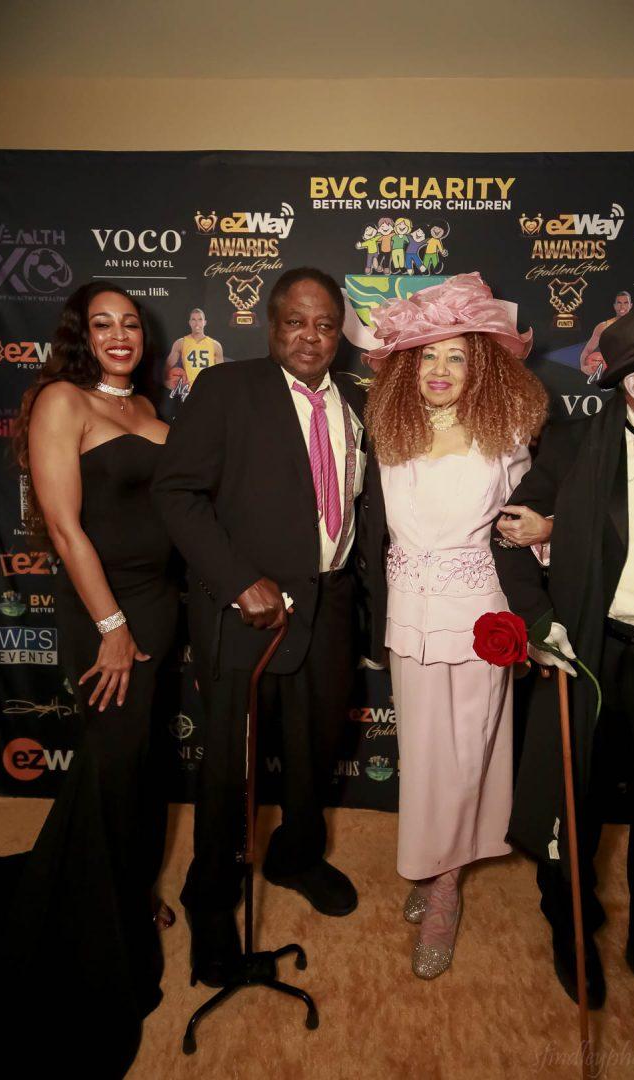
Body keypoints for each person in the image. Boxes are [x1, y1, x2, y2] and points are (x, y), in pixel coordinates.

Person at [0, 282, 179, 1077]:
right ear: (80, 335)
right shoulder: (61, 401)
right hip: (106, 612)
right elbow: (63, 528)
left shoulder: (150, 409)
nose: (119, 335)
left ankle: (130, 893)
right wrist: (112, 628)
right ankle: (98, 922)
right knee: (110, 766)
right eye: (103, 324)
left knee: (138, 767)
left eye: (130, 323)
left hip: (160, 608)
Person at [152, 267, 373, 987]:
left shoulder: (357, 402)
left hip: (331, 605)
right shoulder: (227, 388)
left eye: (325, 325)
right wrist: (237, 579)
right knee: (230, 766)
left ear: (340, 334)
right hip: (247, 612)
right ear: (271, 325)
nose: (310, 337)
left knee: (315, 748)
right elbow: (177, 493)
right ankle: (211, 893)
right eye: (296, 323)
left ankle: (296, 856)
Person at [492, 295, 634, 1059]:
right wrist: (540, 621)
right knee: (572, 807)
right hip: (592, 655)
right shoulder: (576, 446)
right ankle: (571, 927)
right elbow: (507, 536)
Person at [359, 273, 548, 978]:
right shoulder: (389, 432)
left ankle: (443, 885)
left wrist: (546, 529)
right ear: (408, 365)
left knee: (470, 751)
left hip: (479, 616)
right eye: (428, 355)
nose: (440, 369)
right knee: (424, 751)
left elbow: (531, 521)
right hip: (408, 615)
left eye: (457, 356)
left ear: (483, 366)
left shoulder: (508, 436)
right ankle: (434, 857)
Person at [163, 306, 224, 394]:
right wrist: (166, 382)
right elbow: (167, 367)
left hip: (208, 390)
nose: (197, 323)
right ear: (190, 322)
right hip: (188, 392)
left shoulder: (215, 345)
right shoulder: (180, 343)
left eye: (200, 319)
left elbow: (221, 373)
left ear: (205, 322)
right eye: (193, 319)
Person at [579, 290, 632, 377]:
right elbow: (587, 350)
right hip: (611, 373)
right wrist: (583, 367)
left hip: (633, 371)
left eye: (626, 303)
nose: (622, 306)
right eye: (619, 303)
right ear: (614, 306)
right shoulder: (603, 327)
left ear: (631, 305)